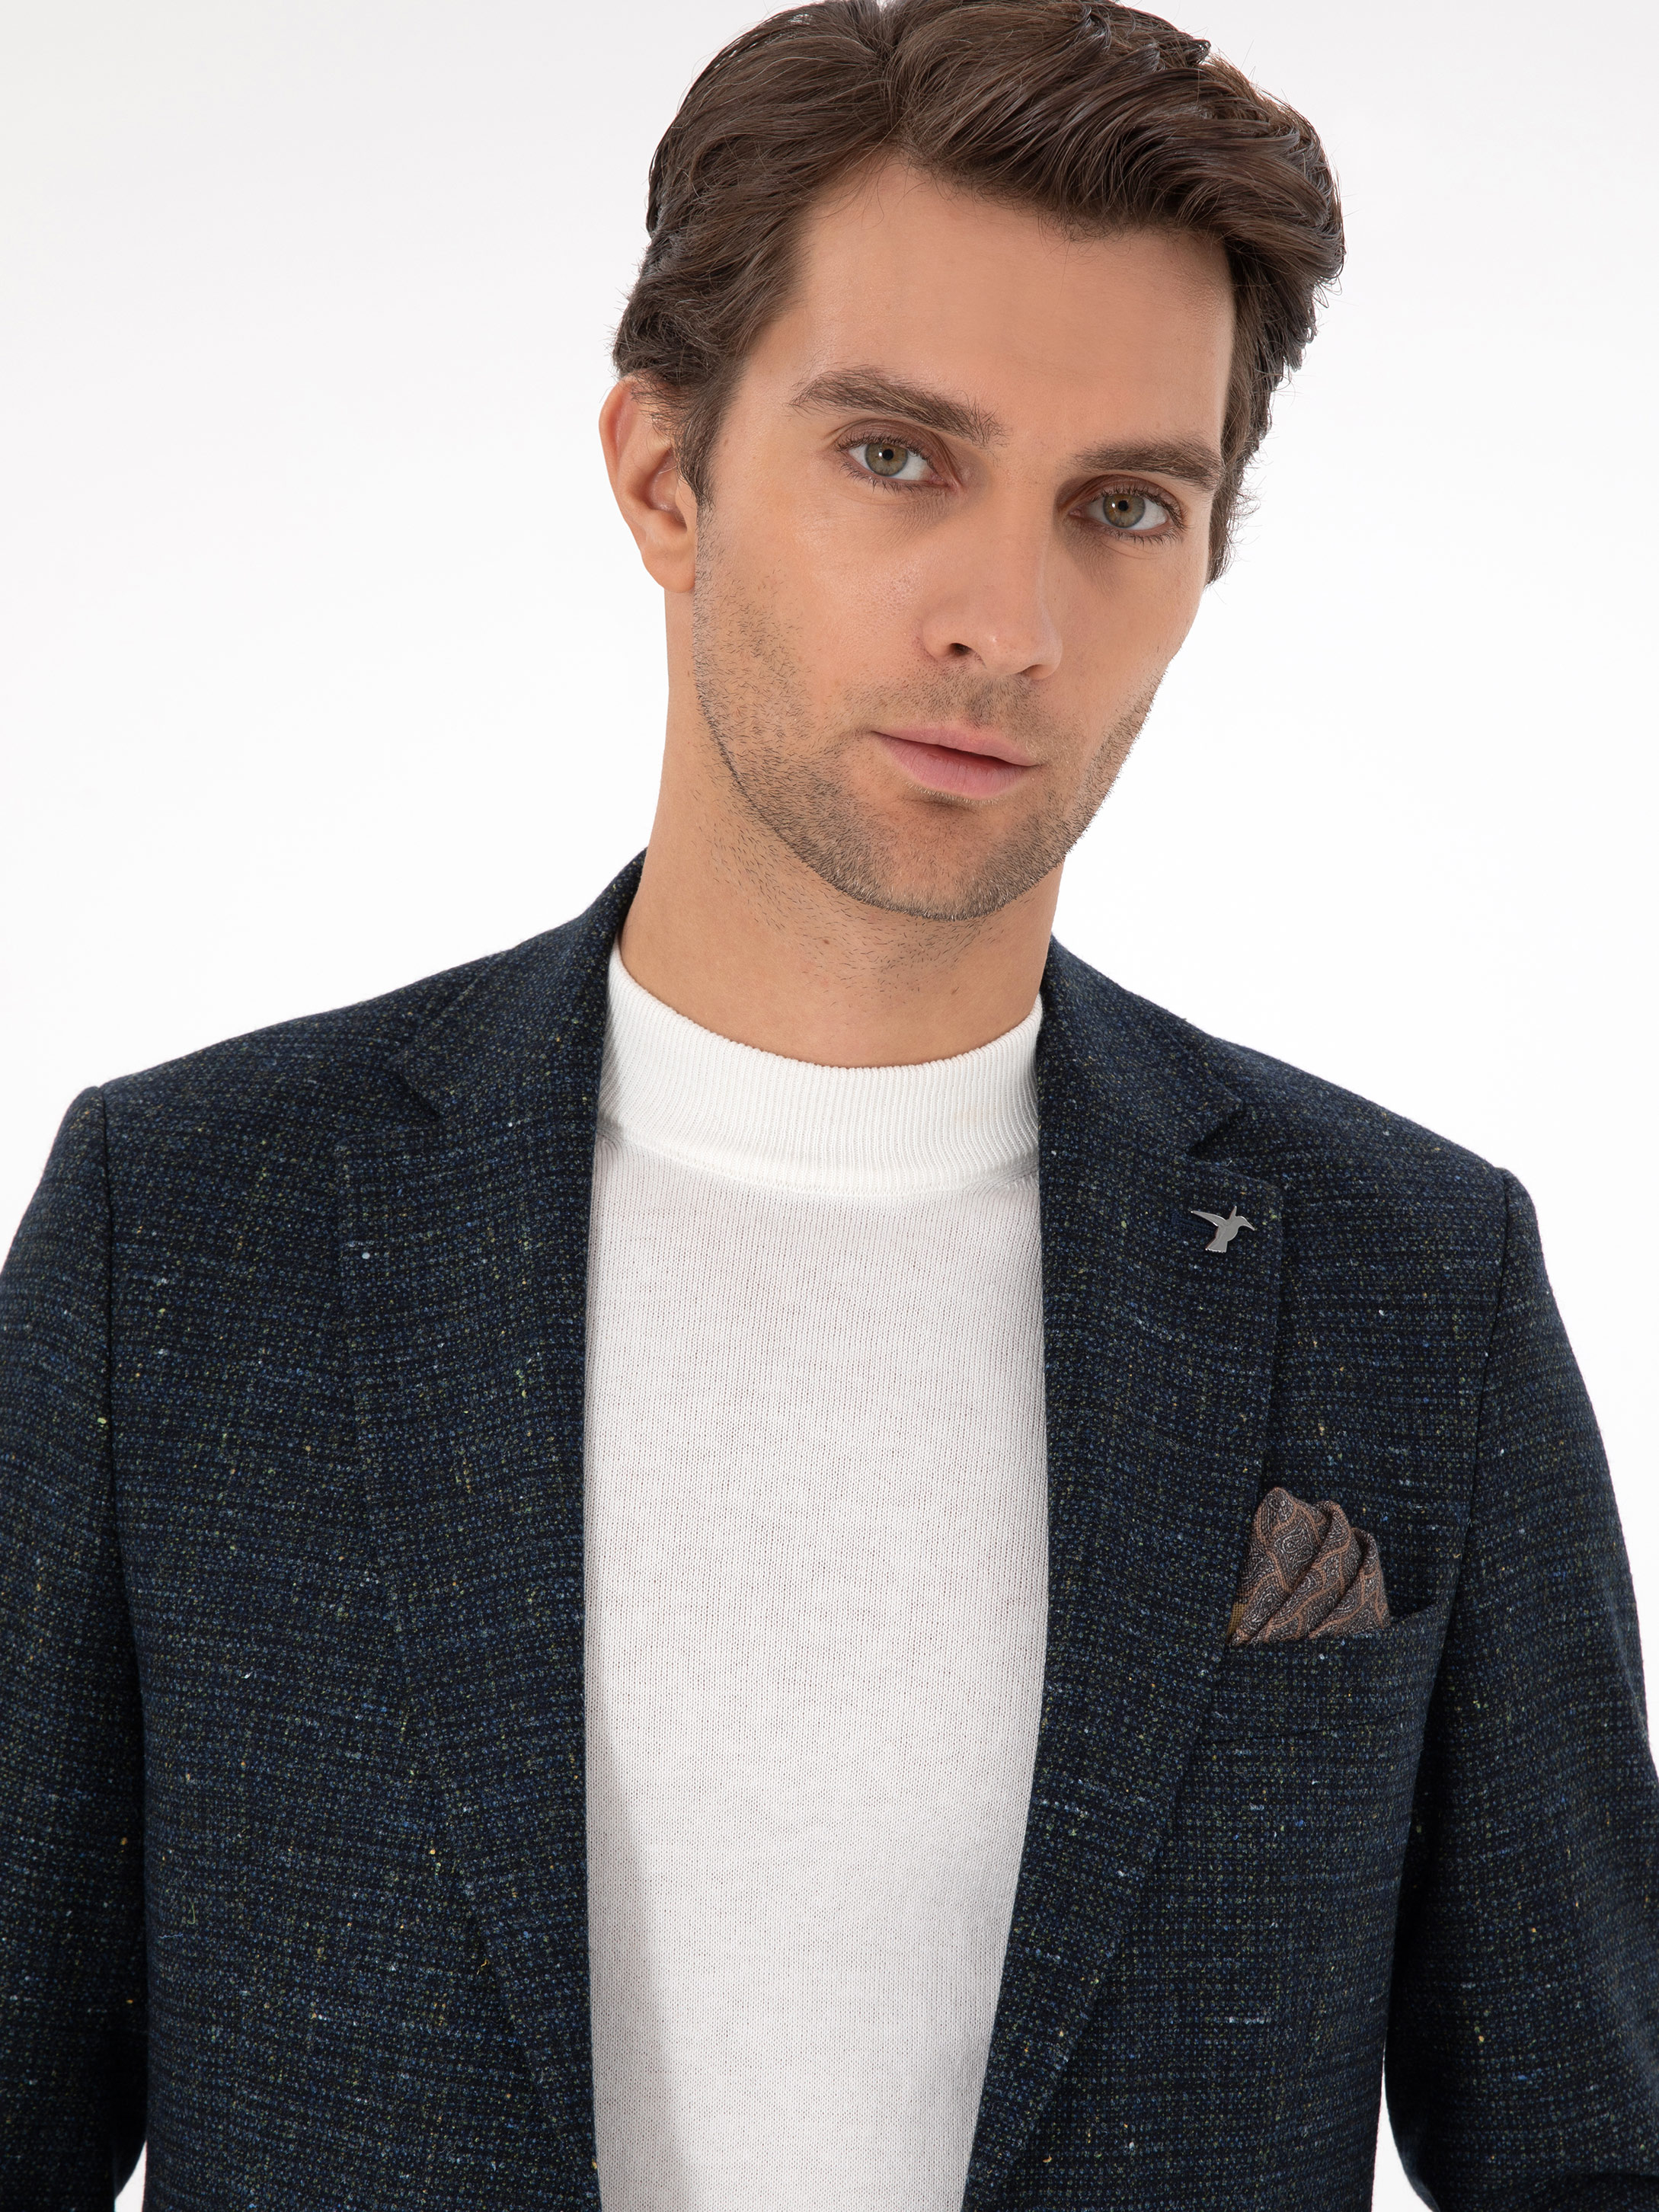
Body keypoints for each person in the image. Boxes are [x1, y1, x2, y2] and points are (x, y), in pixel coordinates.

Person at [3, 0, 1655, 2204]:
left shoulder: (1410, 1283)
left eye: (1124, 505)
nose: (1008, 619)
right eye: (897, 456)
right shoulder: (190, 1231)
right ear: (663, 478)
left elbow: (1592, 2146)